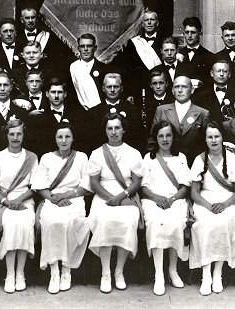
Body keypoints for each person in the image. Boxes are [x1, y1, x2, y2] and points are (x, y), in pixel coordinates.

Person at [86, 112, 143, 293]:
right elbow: (94, 183)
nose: (114, 132)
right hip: (103, 195)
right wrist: (110, 197)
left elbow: (136, 182)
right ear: (105, 131)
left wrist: (122, 196)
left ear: (123, 129)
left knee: (127, 221)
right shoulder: (97, 153)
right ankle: (105, 272)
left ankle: (119, 271)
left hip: (126, 195)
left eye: (117, 128)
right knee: (104, 220)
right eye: (110, 128)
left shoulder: (133, 153)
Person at [31, 122, 91, 294]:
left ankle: (66, 269)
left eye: (67, 136)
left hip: (75, 199)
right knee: (50, 221)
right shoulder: (47, 158)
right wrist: (55, 199)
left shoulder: (81, 157)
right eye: (60, 137)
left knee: (70, 221)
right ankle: (54, 271)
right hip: (52, 199)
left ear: (73, 138)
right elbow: (40, 186)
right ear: (55, 139)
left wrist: (67, 196)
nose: (64, 140)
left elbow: (86, 186)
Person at [189, 121, 235, 296]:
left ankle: (217, 273)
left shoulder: (233, 160)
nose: (213, 140)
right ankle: (206, 274)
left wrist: (224, 205)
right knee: (205, 222)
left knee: (224, 222)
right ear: (205, 139)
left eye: (217, 136)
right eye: (209, 137)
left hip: (227, 200)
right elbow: (194, 192)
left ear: (222, 138)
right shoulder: (200, 159)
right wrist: (208, 206)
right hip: (205, 200)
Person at [0, 118, 38, 294]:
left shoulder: (31, 157)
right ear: (6, 135)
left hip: (24, 201)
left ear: (24, 135)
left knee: (24, 223)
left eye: (19, 134)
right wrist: (6, 202)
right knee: (9, 223)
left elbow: (35, 187)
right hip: (2, 200)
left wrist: (20, 200)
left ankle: (20, 273)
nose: (15, 137)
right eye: (12, 134)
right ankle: (9, 274)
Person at [140, 120, 191, 296]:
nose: (165, 139)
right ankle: (159, 274)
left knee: (176, 222)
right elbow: (143, 187)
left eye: (168, 135)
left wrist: (172, 198)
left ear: (173, 137)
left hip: (175, 200)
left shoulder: (181, 158)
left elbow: (185, 186)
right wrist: (157, 198)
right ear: (155, 138)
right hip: (153, 200)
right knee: (156, 222)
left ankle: (172, 270)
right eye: (161, 135)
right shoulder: (148, 158)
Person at [150, 75, 210, 164]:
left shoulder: (203, 113)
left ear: (192, 90)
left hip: (193, 164)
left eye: (184, 87)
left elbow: (206, 144)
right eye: (177, 87)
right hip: (166, 163)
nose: (180, 90)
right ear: (172, 90)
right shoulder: (161, 110)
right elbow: (152, 139)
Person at [88, 73, 145, 152]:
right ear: (103, 88)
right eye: (109, 87)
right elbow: (91, 141)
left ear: (121, 88)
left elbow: (138, 138)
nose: (112, 90)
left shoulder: (132, 110)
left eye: (116, 86)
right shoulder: (94, 112)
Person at [193, 59, 235, 124]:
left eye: (225, 71)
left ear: (229, 74)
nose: (221, 74)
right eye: (218, 71)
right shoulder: (200, 96)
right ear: (212, 73)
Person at [69, 33, 107, 111]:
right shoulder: (73, 67)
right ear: (78, 48)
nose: (85, 49)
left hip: (100, 112)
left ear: (95, 48)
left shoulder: (104, 68)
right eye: (82, 46)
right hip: (80, 113)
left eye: (89, 46)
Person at [178, 17, 214, 85]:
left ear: (200, 34)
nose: (189, 36)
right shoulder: (178, 54)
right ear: (183, 34)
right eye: (187, 32)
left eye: (193, 32)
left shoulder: (209, 57)